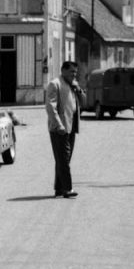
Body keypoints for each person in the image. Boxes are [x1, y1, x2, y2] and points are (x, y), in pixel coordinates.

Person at [45, 60, 84, 198]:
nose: (74, 75)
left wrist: (78, 89)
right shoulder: (55, 84)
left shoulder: (73, 85)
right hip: (59, 129)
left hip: (71, 126)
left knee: (63, 159)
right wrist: (58, 125)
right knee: (63, 159)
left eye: (75, 72)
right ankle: (67, 189)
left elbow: (83, 101)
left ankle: (59, 188)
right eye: (71, 72)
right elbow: (50, 107)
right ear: (63, 71)